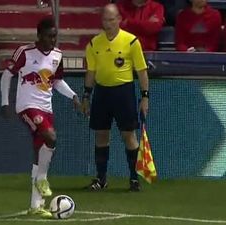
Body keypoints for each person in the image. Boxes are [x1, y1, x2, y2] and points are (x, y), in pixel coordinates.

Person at [0, 18, 81, 218]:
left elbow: (57, 81)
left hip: (47, 108)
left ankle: (35, 205)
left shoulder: (57, 55)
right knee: (51, 138)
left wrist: (73, 96)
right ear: (39, 36)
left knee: (40, 152)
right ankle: (42, 180)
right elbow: (6, 75)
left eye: (55, 36)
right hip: (27, 106)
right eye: (48, 36)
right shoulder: (25, 52)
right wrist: (5, 102)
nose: (52, 40)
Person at [82, 4, 149, 192]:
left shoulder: (131, 41)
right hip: (102, 93)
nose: (108, 23)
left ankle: (134, 179)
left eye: (112, 19)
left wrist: (145, 97)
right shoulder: (94, 44)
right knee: (101, 134)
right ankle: (101, 178)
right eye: (105, 20)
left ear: (119, 19)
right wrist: (86, 95)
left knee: (128, 135)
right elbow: (91, 72)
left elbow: (142, 72)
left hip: (123, 92)